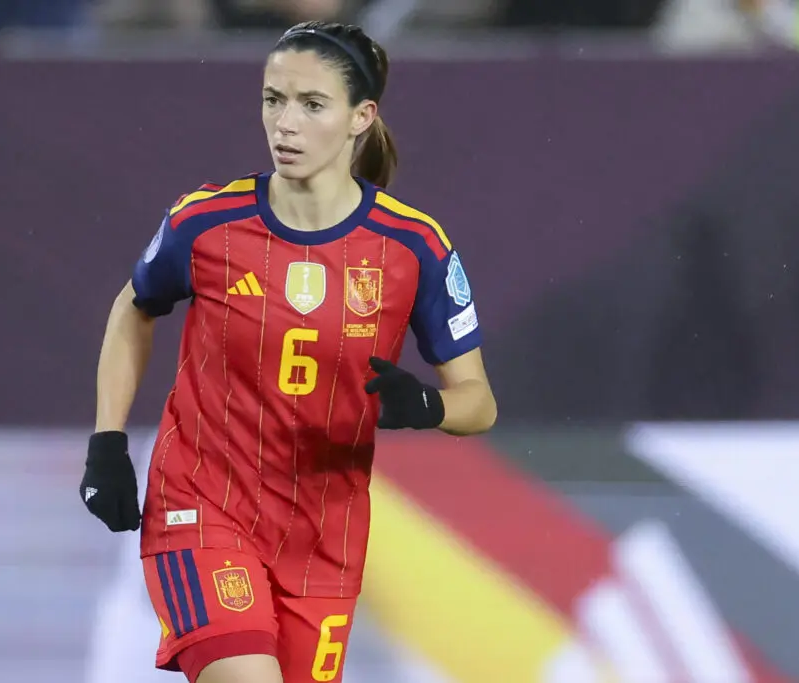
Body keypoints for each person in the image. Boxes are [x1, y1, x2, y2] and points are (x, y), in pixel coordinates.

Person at [79, 20, 497, 683]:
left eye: (311, 104)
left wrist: (425, 404)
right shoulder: (206, 223)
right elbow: (136, 308)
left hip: (321, 537)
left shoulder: (414, 246)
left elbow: (479, 403)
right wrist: (106, 442)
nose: (286, 123)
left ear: (362, 117)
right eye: (274, 99)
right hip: (201, 505)